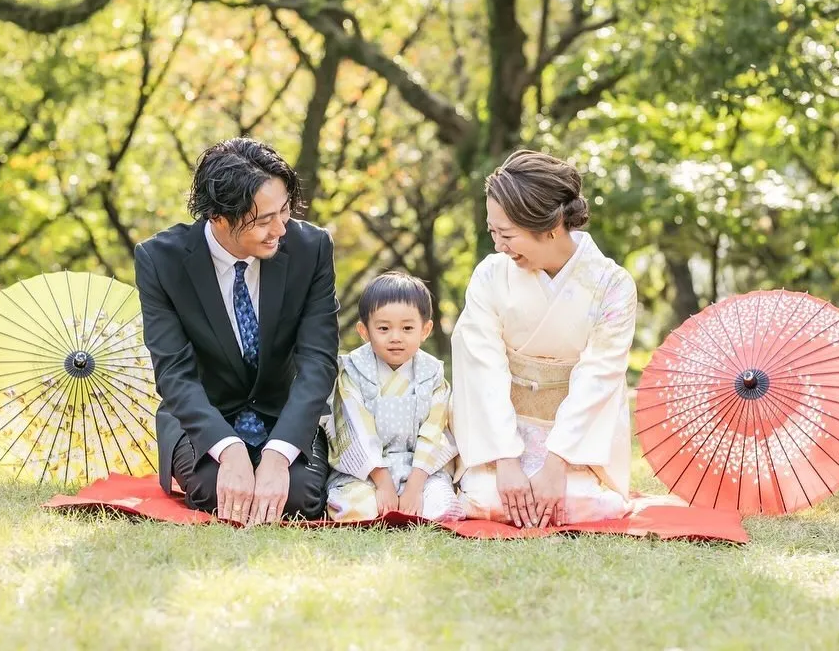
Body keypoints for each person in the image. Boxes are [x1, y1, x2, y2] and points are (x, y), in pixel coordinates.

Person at [134, 137, 339, 525]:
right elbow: (175, 375)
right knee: (216, 492)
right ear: (219, 217)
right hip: (206, 417)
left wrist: (279, 455)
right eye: (263, 220)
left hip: (284, 413)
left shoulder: (312, 248)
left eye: (284, 211)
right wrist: (228, 450)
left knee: (299, 498)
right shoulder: (159, 261)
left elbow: (318, 362)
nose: (279, 229)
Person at [450, 149, 637, 528]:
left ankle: (560, 480)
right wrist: (504, 459)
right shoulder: (490, 276)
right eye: (492, 232)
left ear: (551, 228)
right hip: (505, 428)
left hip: (574, 442)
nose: (498, 246)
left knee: (592, 502)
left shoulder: (612, 285)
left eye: (507, 234)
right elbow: (482, 369)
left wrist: (557, 464)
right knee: (486, 494)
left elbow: (600, 376)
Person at [324, 272, 463, 522]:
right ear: (364, 331)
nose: (396, 337)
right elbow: (356, 429)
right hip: (366, 473)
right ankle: (378, 499)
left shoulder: (431, 374)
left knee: (442, 509)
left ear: (426, 329)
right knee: (357, 508)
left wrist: (415, 486)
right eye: (384, 328)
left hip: (420, 471)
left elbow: (435, 431)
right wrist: (383, 482)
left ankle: (414, 498)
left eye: (408, 328)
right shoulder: (354, 370)